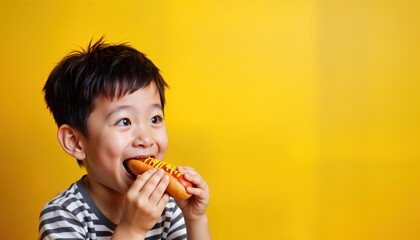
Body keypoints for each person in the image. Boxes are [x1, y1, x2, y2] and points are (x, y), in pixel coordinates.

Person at [38, 37, 211, 240]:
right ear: (75, 142)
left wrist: (195, 219)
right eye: (124, 122)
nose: (146, 138)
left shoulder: (167, 207)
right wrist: (132, 230)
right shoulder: (63, 214)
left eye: (155, 118)